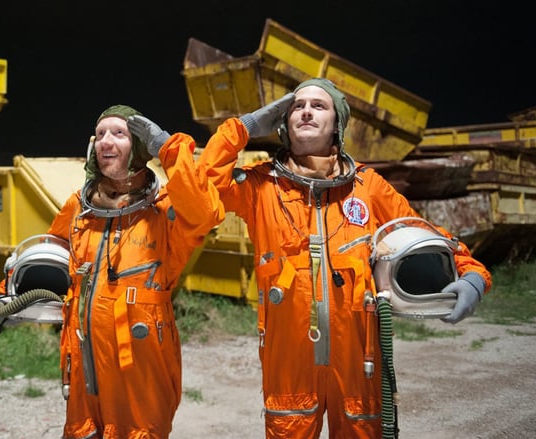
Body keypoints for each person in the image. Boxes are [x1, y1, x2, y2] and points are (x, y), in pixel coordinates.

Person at [197, 78, 492, 438]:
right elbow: (199, 188)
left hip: (358, 360)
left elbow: (421, 232)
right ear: (284, 123)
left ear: (337, 122)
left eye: (319, 106)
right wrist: (242, 128)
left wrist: (472, 274)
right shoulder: (261, 185)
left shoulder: (367, 186)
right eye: (297, 106)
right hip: (289, 363)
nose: (306, 111)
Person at [45, 105, 224, 438]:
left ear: (140, 148)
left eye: (119, 133)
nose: (106, 141)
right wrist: (15, 290)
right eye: (100, 134)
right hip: (84, 362)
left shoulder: (165, 210)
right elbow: (50, 254)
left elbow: (204, 213)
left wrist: (167, 149)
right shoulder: (80, 207)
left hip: (141, 365)